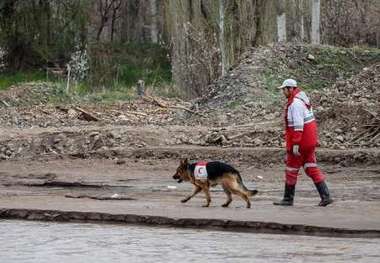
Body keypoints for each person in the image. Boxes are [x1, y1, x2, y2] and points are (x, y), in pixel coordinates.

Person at [274, 79, 333, 207]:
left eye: (284, 89)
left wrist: (295, 144)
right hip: (310, 141)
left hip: (301, 142)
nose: (283, 92)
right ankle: (326, 196)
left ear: (290, 89)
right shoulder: (303, 100)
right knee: (311, 167)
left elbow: (298, 125)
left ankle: (288, 199)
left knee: (291, 169)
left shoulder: (295, 103)